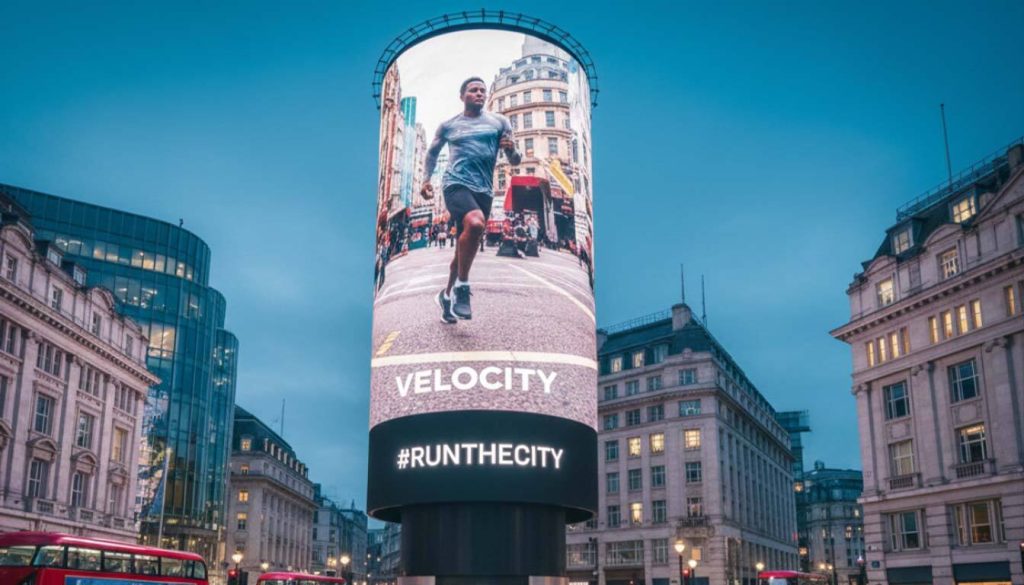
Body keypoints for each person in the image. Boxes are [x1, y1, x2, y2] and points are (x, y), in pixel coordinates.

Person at [421, 77, 521, 322]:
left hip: (484, 190)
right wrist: (425, 180)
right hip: (455, 183)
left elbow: (516, 160)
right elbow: (432, 153)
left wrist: (509, 149)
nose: (479, 94)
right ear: (462, 95)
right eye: (473, 90)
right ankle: (462, 289)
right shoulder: (449, 125)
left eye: (482, 91)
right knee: (475, 223)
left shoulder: (500, 122)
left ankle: (445, 297)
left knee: (463, 251)